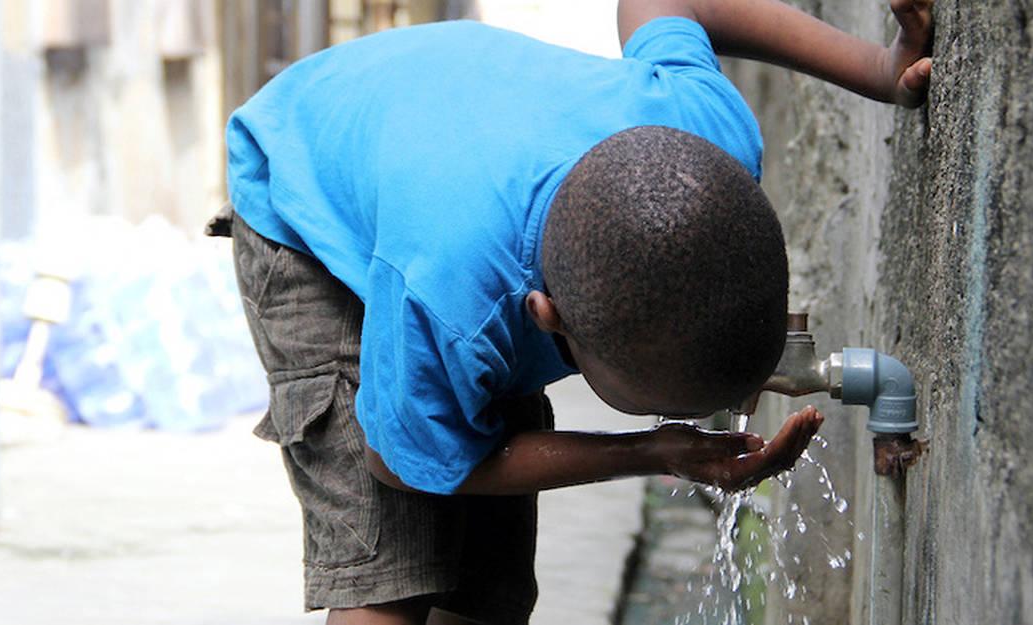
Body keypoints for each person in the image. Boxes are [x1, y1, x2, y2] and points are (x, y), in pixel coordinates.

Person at [206, 0, 934, 623]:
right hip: (301, 191)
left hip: (445, 139)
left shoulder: (708, 132)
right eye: (652, 409)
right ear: (546, 317)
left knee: (492, 584)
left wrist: (878, 68)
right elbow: (397, 461)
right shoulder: (452, 299)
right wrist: (646, 453)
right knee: (392, 569)